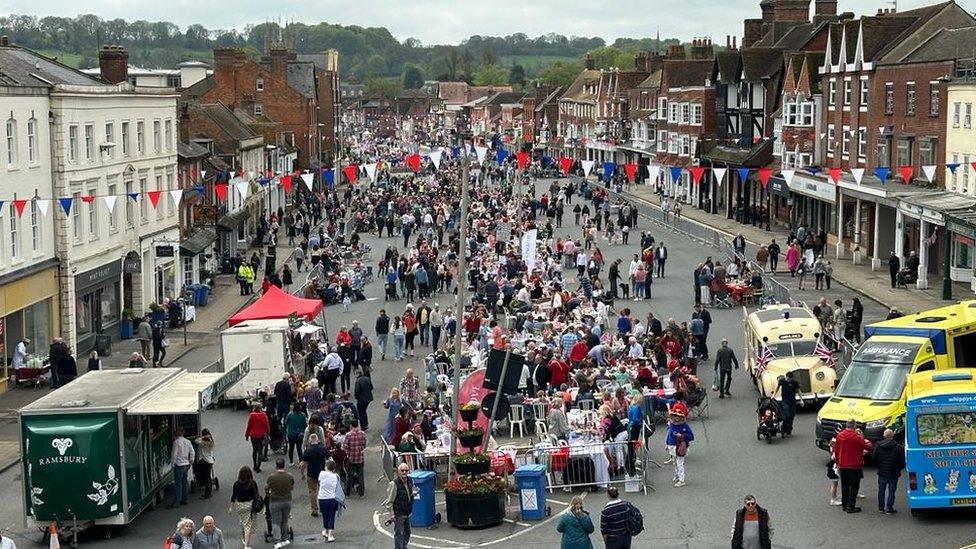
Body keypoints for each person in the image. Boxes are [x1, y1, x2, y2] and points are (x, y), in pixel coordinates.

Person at [835, 419, 873, 513]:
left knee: (845, 486)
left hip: (843, 464)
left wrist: (838, 462)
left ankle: (845, 505)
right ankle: (851, 506)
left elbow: (836, 450)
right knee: (854, 486)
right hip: (854, 465)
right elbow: (868, 446)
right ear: (854, 426)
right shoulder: (856, 437)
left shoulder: (839, 436)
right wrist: (862, 436)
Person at [384, 463, 417, 549]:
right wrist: (391, 514)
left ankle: (403, 546)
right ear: (398, 471)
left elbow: (410, 492)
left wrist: (413, 493)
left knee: (407, 532)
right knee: (399, 534)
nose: (404, 472)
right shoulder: (393, 484)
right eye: (402, 470)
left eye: (406, 470)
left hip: (407, 512)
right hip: (399, 513)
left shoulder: (410, 480)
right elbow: (389, 501)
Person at [873, 428, 905, 514]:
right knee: (891, 491)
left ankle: (881, 507)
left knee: (881, 490)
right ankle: (889, 508)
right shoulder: (898, 447)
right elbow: (902, 461)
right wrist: (900, 468)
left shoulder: (878, 446)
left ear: (884, 435)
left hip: (882, 471)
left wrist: (879, 466)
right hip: (894, 472)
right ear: (892, 436)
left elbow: (874, 458)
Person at [266, 458, 294, 548]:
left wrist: (268, 494)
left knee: (275, 522)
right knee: (285, 521)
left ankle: (277, 541)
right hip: (287, 500)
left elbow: (267, 488)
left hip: (275, 501)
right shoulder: (289, 476)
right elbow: (292, 486)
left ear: (276, 466)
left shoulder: (272, 477)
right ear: (284, 465)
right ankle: (284, 538)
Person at [229, 466, 259, 549]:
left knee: (242, 522)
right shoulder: (252, 483)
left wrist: (231, 507)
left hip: (240, 506)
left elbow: (233, 496)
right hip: (250, 505)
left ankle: (244, 539)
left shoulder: (237, 484)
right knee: (248, 525)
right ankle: (246, 545)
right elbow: (257, 494)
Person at [299, 433, 328, 517]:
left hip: (311, 474)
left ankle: (314, 510)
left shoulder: (308, 450)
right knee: (322, 491)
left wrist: (302, 474)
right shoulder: (323, 448)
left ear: (310, 441)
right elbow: (329, 458)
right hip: (322, 473)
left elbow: (303, 463)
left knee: (312, 492)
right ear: (317, 440)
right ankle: (323, 508)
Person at [666, 408, 694, 487]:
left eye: (678, 416)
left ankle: (682, 480)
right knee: (675, 462)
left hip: (681, 447)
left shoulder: (685, 426)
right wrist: (667, 444)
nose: (676, 417)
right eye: (675, 416)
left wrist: (682, 436)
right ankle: (677, 475)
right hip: (672, 446)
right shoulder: (671, 424)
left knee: (680, 463)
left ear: (682, 417)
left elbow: (691, 436)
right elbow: (669, 435)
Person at [317, 459, 342, 542]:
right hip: (332, 498)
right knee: (331, 515)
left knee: (325, 515)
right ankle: (330, 534)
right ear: (334, 468)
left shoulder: (321, 474)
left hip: (322, 498)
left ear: (326, 467)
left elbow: (319, 483)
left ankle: (326, 530)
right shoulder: (336, 476)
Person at [170, 427, 195, 508]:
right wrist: (191, 460)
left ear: (178, 433)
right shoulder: (187, 441)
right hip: (186, 464)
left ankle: (177, 500)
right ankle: (185, 499)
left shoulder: (176, 442)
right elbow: (192, 452)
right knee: (184, 481)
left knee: (178, 483)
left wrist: (172, 464)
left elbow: (174, 454)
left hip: (179, 464)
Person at [342, 419, 367, 497]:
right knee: (361, 475)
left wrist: (347, 453)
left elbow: (344, 446)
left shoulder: (348, 435)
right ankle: (361, 492)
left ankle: (347, 491)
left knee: (349, 475)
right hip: (360, 458)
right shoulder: (362, 434)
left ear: (351, 425)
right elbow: (364, 445)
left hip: (351, 458)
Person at [245, 404, 271, 473]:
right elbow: (266, 425)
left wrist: (247, 435)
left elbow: (249, 426)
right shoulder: (264, 415)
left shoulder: (252, 415)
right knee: (260, 451)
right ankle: (258, 466)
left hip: (253, 435)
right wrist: (268, 433)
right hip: (261, 435)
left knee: (254, 450)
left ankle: (254, 465)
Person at [776, 371, 799, 436]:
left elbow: (798, 391)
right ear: (786, 377)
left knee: (791, 417)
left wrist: (801, 399)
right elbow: (777, 388)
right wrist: (773, 395)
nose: (788, 380)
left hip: (792, 402)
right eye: (788, 378)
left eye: (790, 379)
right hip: (785, 401)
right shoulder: (782, 381)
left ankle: (789, 430)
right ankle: (784, 428)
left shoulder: (794, 383)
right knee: (787, 415)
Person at [196, 428, 216, 500]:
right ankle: (209, 492)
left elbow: (196, 440)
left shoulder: (203, 442)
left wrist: (203, 437)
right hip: (210, 460)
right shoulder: (211, 441)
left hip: (205, 461)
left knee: (206, 478)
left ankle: (207, 493)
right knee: (208, 477)